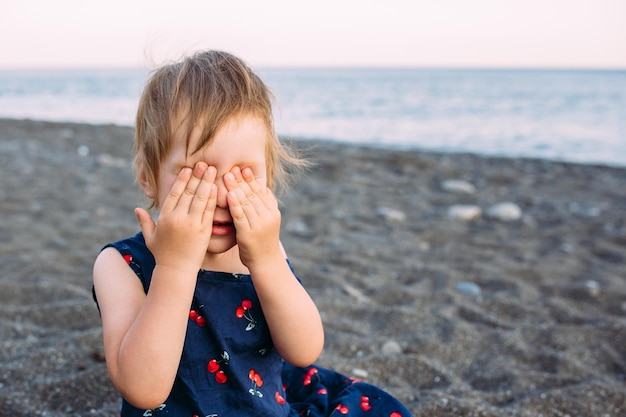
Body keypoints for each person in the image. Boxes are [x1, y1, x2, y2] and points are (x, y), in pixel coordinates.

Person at [93, 50, 412, 417]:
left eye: (244, 174)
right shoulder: (120, 266)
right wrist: (175, 268)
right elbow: (143, 389)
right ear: (148, 177)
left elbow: (304, 350)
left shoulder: (263, 250)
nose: (225, 195)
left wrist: (267, 260)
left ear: (268, 179)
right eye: (198, 173)